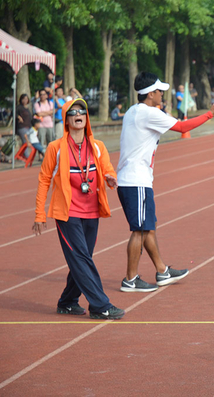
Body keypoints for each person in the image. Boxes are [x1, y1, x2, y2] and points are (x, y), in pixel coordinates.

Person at [116, 71, 214, 292]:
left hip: (136, 179)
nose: (162, 95)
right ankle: (130, 279)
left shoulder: (133, 111)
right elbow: (182, 127)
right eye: (159, 91)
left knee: (149, 227)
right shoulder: (148, 113)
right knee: (139, 230)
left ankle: (162, 271)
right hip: (135, 180)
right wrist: (210, 114)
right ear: (150, 94)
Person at [32, 98, 125, 320]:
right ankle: (100, 305)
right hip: (67, 213)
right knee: (82, 257)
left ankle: (67, 301)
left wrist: (110, 178)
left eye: (81, 111)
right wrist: (39, 214)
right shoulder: (56, 148)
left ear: (86, 117)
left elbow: (107, 169)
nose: (78, 114)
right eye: (72, 112)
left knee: (82, 257)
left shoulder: (98, 147)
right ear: (66, 119)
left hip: (92, 211)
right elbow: (44, 180)